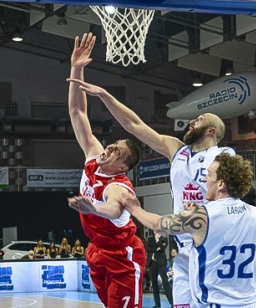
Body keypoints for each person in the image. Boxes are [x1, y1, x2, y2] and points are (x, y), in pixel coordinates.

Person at [68, 47, 235, 308]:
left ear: (212, 130)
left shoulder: (223, 154)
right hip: (183, 246)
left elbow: (240, 194)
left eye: (199, 119)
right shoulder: (176, 150)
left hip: (214, 245)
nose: (192, 121)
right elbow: (133, 125)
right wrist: (105, 95)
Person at [115, 153, 256, 308]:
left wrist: (134, 208)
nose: (205, 179)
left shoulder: (203, 215)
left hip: (220, 303)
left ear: (221, 184)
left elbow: (158, 225)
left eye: (209, 175)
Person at [66, 33, 146, 308]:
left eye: (117, 151)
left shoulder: (118, 186)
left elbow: (114, 209)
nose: (110, 147)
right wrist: (76, 68)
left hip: (122, 256)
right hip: (96, 250)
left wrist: (93, 208)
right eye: (114, 143)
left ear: (123, 167)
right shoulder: (92, 156)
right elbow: (78, 113)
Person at [146, 232, 173, 308]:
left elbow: (163, 248)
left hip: (161, 263)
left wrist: (158, 241)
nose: (155, 231)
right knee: (154, 284)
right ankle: (157, 303)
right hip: (152, 263)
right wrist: (157, 248)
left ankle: (172, 302)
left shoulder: (164, 238)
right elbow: (147, 248)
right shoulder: (150, 238)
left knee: (165, 282)